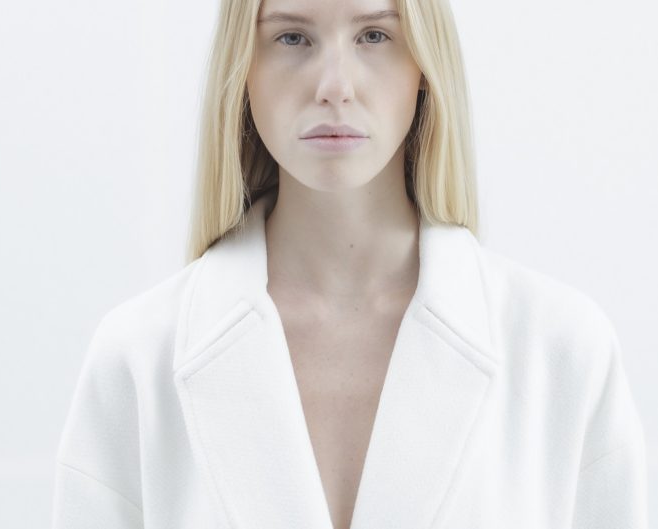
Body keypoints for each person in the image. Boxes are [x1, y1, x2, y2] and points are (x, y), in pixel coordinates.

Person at [51, 0, 649, 527]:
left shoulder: (561, 351)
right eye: (292, 37)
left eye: (374, 35)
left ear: (424, 67)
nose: (334, 85)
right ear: (242, 68)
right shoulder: (138, 359)